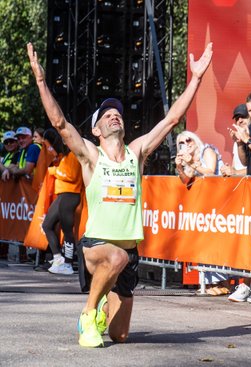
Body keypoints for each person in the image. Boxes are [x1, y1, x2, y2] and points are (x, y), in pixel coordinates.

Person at [28, 41, 213, 348]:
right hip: (97, 247)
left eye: (118, 114)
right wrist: (40, 80)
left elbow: (170, 120)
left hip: (128, 255)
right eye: (107, 115)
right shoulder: (91, 155)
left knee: (120, 335)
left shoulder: (136, 152)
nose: (115, 116)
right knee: (114, 256)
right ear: (96, 130)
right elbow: (60, 123)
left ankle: (102, 309)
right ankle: (88, 313)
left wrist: (196, 79)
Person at [175, 131, 230, 296]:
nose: (187, 143)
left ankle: (223, 283)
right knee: (206, 244)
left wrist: (192, 163)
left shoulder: (207, 151)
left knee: (217, 243)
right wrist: (179, 167)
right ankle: (211, 283)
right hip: (205, 207)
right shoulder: (190, 160)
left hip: (220, 203)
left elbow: (212, 173)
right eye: (182, 143)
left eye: (189, 140)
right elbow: (187, 180)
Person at [41, 128, 83, 276]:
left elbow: (71, 176)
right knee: (47, 225)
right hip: (63, 195)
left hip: (70, 195)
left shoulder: (72, 155)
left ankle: (68, 264)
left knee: (67, 230)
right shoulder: (64, 157)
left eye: (49, 145)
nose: (49, 149)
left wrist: (54, 171)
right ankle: (58, 258)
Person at [220, 104, 250, 177]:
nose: (240, 121)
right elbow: (235, 166)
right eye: (237, 118)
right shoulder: (237, 140)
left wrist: (236, 172)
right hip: (239, 183)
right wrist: (227, 169)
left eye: (243, 117)